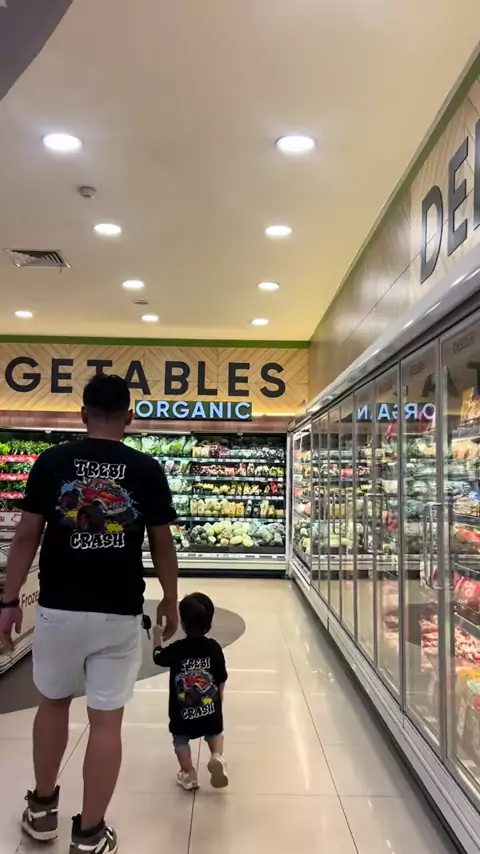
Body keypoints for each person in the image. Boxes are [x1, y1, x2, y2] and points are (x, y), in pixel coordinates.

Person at [0, 374, 179, 854]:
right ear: (129, 417)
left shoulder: (52, 462)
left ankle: (42, 811)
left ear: (82, 414)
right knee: (105, 722)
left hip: (58, 609)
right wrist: (170, 598)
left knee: (52, 704)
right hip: (118, 613)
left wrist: (8, 600)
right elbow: (162, 544)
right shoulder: (146, 469)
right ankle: (90, 834)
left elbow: (25, 537)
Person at [153, 592, 228, 791]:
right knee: (214, 732)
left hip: (182, 712)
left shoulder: (178, 649)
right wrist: (218, 700)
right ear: (209, 623)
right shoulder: (214, 648)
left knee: (180, 739)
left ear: (183, 624)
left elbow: (158, 657)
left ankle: (189, 773)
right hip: (210, 708)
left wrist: (157, 637)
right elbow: (221, 677)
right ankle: (217, 757)